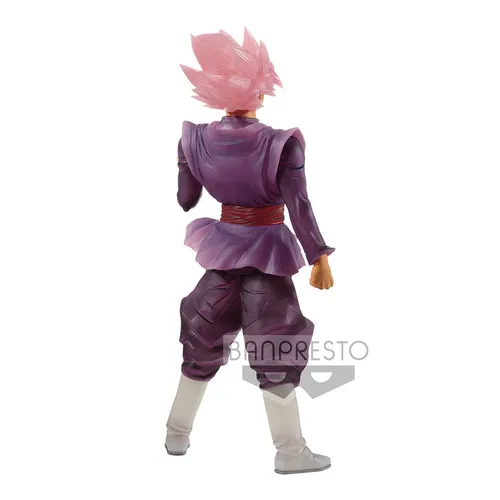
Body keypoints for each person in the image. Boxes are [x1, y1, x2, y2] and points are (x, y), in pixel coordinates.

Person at [165, 28, 335, 475]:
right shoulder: (281, 143)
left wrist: (187, 160)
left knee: (201, 338)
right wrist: (318, 256)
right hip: (267, 256)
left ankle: (176, 433)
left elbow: (186, 200)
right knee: (275, 348)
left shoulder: (193, 138)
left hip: (221, 252)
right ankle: (290, 452)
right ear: (261, 87)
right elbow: (299, 205)